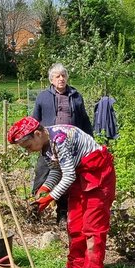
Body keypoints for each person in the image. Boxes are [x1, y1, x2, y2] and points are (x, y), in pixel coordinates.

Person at [6, 116, 115, 268]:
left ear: (37, 133)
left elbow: (69, 175)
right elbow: (58, 170)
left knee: (93, 225)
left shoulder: (60, 139)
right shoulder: (45, 146)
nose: (28, 151)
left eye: (28, 146)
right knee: (75, 224)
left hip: (98, 174)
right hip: (80, 175)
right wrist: (45, 188)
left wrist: (49, 198)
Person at [31, 63, 93, 224]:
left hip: (69, 145)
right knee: (42, 174)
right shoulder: (43, 97)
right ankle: (35, 210)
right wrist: (33, 140)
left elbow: (84, 119)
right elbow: (34, 120)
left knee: (67, 177)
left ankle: (62, 213)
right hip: (47, 143)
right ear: (51, 80)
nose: (61, 78)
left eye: (63, 75)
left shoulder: (75, 96)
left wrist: (90, 138)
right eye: (57, 76)